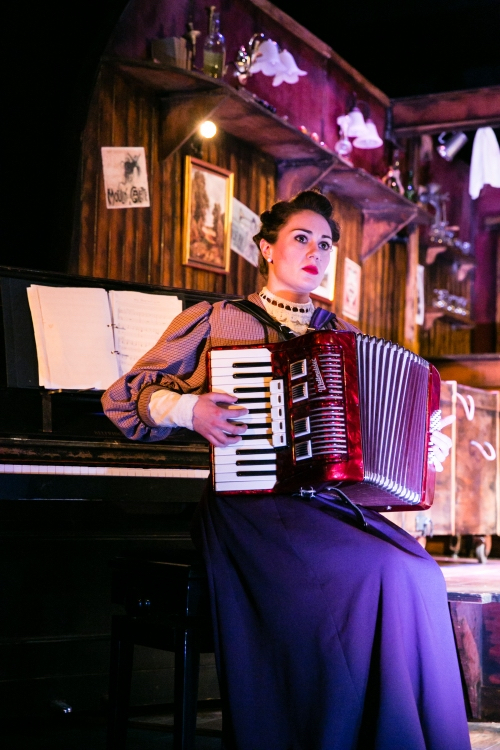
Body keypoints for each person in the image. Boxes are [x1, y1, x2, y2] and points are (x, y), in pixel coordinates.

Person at [102, 190, 471, 750]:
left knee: (420, 572)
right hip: (248, 506)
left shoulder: (342, 335)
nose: (315, 252)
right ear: (266, 247)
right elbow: (126, 396)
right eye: (301, 238)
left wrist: (422, 449)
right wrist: (189, 408)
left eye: (324, 244)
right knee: (384, 573)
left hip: (320, 506)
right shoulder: (215, 318)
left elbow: (373, 438)